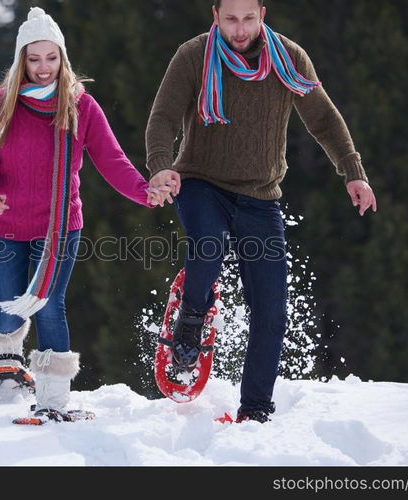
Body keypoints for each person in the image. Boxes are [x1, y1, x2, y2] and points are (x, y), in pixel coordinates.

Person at [146, 0, 377, 423]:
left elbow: (323, 120)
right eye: (230, 19)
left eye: (248, 18)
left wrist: (353, 173)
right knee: (209, 244)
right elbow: (162, 117)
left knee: (272, 310)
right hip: (200, 182)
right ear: (215, 15)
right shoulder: (194, 54)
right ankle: (192, 321)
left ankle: (255, 410)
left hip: (260, 196)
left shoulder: (290, 59)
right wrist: (162, 166)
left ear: (262, 15)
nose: (239, 29)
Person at [0, 7, 169, 421]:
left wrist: (143, 191)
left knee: (49, 305)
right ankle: (5, 360)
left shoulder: (81, 107)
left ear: (63, 58)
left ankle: (53, 400)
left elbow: (111, 160)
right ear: (21, 59)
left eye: (51, 58)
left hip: (59, 227)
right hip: (2, 226)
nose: (43, 68)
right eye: (34, 58)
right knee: (7, 311)